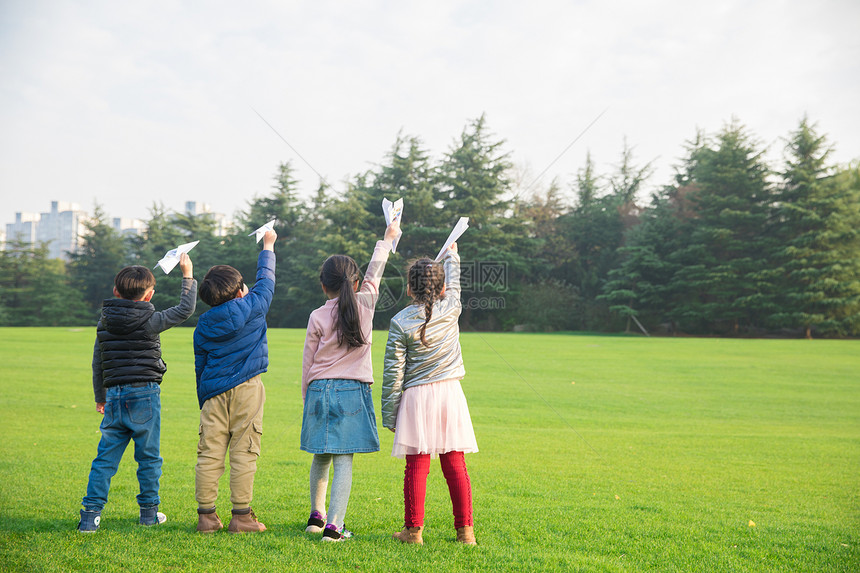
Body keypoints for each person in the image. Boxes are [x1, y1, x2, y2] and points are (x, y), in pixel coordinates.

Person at [78, 254, 197, 533]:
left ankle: (90, 518)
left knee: (105, 459)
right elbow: (184, 310)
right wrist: (187, 274)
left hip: (114, 395)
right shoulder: (151, 321)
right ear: (149, 295)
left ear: (115, 292)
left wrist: (100, 396)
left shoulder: (104, 322)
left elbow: (98, 362)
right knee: (148, 458)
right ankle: (149, 514)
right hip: (144, 394)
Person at [300, 221, 400, 542]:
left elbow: (308, 362)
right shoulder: (366, 303)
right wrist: (386, 238)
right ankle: (335, 527)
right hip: (351, 391)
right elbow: (376, 271)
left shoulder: (317, 315)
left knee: (322, 454)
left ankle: (317, 516)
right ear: (355, 283)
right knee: (344, 458)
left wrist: (308, 397)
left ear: (322, 285)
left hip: (319, 389)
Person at [382, 242, 478, 546]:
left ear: (410, 289)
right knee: (454, 461)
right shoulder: (452, 308)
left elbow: (392, 374)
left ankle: (413, 531)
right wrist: (453, 255)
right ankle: (466, 533)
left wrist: (389, 414)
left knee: (417, 463)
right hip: (450, 393)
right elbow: (456, 282)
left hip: (416, 398)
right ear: (442, 288)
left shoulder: (399, 322)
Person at [193, 229, 276, 534]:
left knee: (209, 453)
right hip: (248, 389)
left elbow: (200, 366)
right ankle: (241, 517)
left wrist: (205, 397)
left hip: (213, 393)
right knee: (245, 451)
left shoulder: (202, 325)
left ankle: (207, 517)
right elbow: (267, 280)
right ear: (241, 289)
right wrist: (268, 245)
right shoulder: (254, 305)